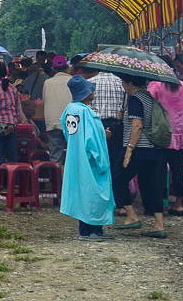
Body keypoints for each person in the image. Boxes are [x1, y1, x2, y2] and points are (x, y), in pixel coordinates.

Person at [112, 74, 167, 237]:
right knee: (152, 185)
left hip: (137, 148)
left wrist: (129, 150)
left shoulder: (135, 99)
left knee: (117, 178)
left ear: (129, 82)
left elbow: (137, 126)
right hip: (151, 149)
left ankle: (131, 216)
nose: (122, 85)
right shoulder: (149, 98)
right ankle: (159, 225)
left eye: (123, 82)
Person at [61, 74, 114, 241]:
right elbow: (91, 139)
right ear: (85, 92)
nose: (93, 92)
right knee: (93, 193)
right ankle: (88, 230)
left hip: (76, 157)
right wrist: (100, 159)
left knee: (82, 192)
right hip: (90, 158)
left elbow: (72, 133)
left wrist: (100, 133)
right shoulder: (85, 112)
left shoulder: (69, 110)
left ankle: (94, 229)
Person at [148, 71, 183, 216]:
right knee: (178, 170)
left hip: (161, 133)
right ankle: (178, 204)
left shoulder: (156, 86)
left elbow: (147, 103)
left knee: (159, 170)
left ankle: (161, 204)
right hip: (178, 133)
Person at [0, 61, 24, 174]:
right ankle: (14, 181)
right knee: (12, 154)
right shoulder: (12, 88)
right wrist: (16, 122)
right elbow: (17, 109)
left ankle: (0, 181)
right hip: (11, 125)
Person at [43, 55, 73, 164]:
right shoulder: (72, 80)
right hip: (71, 122)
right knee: (73, 154)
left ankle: (55, 179)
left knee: (55, 156)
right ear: (67, 68)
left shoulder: (47, 83)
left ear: (53, 68)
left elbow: (45, 100)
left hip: (53, 122)